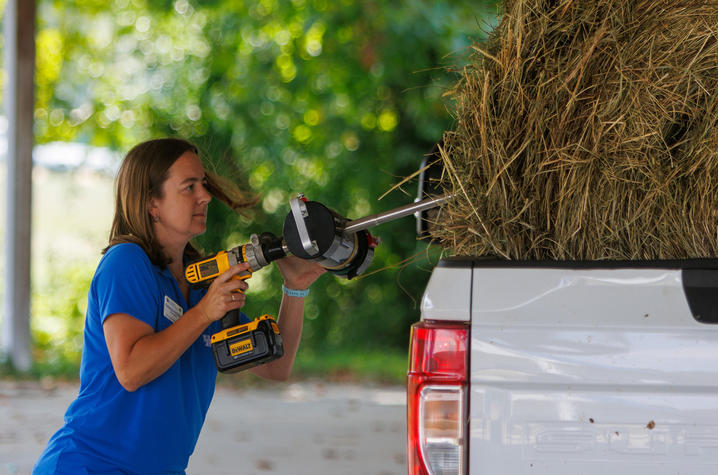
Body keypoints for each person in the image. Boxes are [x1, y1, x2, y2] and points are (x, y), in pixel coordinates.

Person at [33, 138, 325, 474]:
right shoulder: (126, 263)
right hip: (91, 465)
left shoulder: (201, 286)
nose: (205, 196)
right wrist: (203, 315)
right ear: (151, 203)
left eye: (203, 184)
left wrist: (296, 288)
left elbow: (277, 367)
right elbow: (131, 370)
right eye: (189, 187)